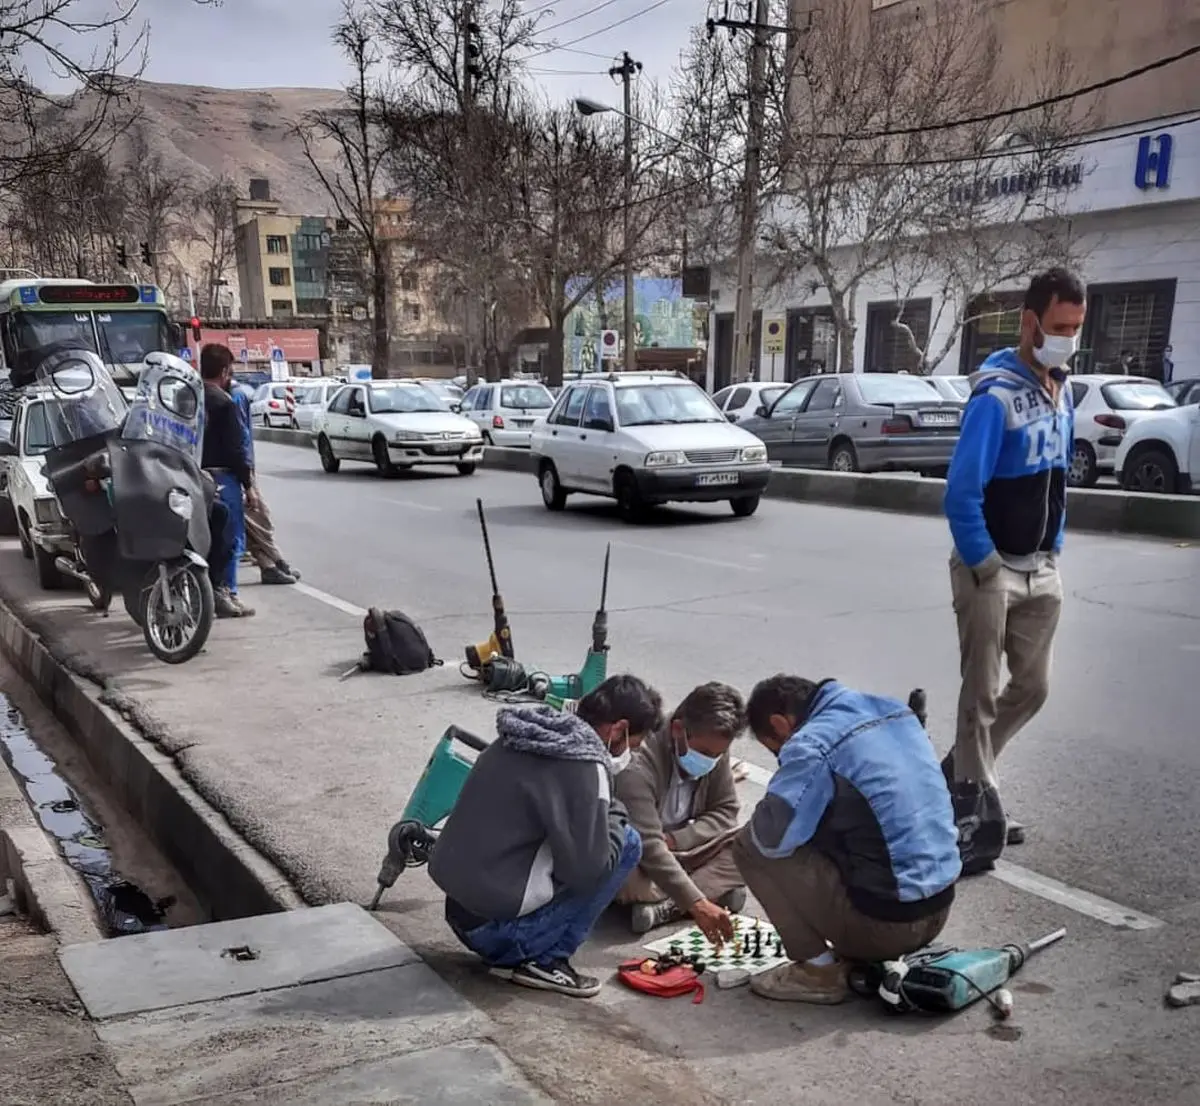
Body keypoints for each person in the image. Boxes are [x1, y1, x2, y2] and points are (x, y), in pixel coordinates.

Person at [943, 267, 1084, 861]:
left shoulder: (1064, 390)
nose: (1068, 338)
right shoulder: (995, 397)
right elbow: (960, 492)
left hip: (1041, 567)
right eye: (1058, 327)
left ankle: (964, 772)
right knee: (980, 693)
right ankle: (977, 807)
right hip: (992, 568)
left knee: (1033, 687)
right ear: (1029, 322)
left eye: (1076, 327)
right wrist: (987, 564)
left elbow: (1060, 482)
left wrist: (1055, 550)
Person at [428, 675, 664, 998]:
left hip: (457, 913)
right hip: (498, 935)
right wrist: (615, 808)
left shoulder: (525, 734)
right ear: (618, 729)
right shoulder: (584, 764)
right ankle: (546, 960)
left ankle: (528, 944)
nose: (630, 756)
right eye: (632, 745)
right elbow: (588, 870)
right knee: (628, 842)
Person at [734, 675, 961, 1006]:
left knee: (749, 845)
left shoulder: (813, 743)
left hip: (886, 927)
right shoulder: (895, 711)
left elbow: (771, 839)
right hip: (940, 908)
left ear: (780, 724)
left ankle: (818, 973)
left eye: (776, 750)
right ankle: (862, 943)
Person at [614, 681, 747, 941]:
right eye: (705, 752)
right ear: (678, 729)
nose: (711, 760)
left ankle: (669, 907)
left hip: (686, 849)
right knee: (623, 870)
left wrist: (679, 839)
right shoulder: (638, 766)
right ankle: (704, 895)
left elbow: (727, 810)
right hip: (646, 859)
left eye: (717, 755)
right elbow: (649, 846)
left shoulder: (715, 751)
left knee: (751, 846)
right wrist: (698, 902)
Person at [199, 344, 256, 619]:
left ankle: (205, 592)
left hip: (190, 476)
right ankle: (227, 593)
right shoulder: (225, 404)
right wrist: (249, 486)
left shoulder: (187, 399)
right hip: (222, 479)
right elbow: (237, 451)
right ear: (224, 371)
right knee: (230, 538)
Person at [227, 371, 300, 585]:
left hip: (242, 466)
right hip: (237, 469)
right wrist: (247, 478)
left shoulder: (232, 394)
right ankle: (277, 560)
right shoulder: (234, 397)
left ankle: (269, 565)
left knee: (250, 520)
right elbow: (240, 438)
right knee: (258, 517)